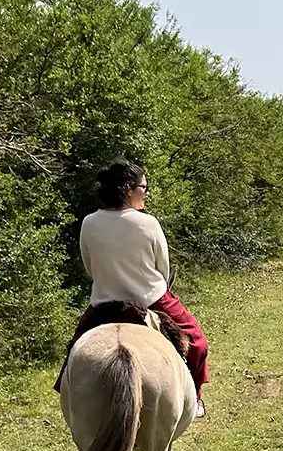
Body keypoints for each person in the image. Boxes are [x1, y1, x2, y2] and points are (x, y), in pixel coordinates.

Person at [78, 159, 210, 416]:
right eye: (144, 187)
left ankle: (73, 398)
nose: (146, 192)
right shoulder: (148, 223)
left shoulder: (89, 223)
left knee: (74, 353)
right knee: (197, 344)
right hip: (151, 302)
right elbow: (164, 268)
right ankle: (193, 401)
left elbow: (89, 268)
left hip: (104, 304)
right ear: (128, 189)